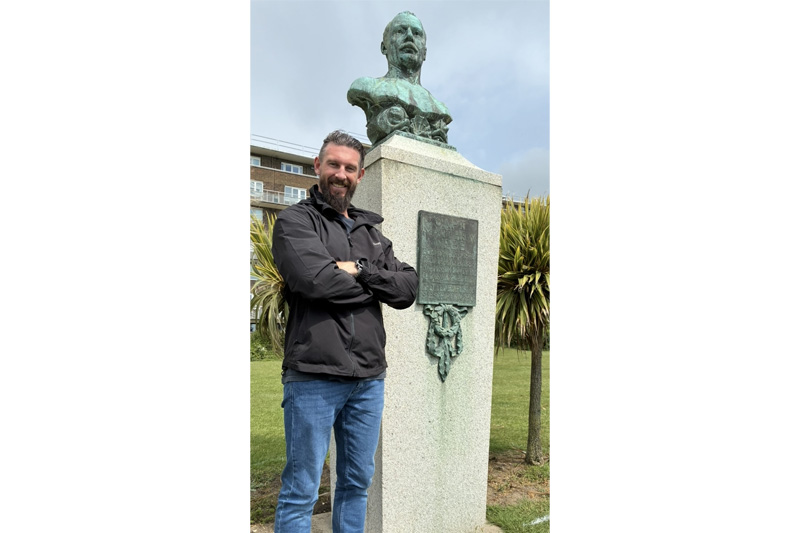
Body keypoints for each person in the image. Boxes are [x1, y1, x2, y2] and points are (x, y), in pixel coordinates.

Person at [271, 130, 418, 532]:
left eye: (349, 168)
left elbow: (408, 288)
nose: (341, 173)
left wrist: (360, 269)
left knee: (357, 483)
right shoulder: (295, 221)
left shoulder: (372, 234)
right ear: (317, 166)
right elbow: (315, 280)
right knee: (301, 490)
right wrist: (376, 287)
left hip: (369, 379)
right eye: (333, 164)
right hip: (314, 377)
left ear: (360, 175)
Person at [347, 11, 452, 146]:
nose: (409, 36)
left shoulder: (439, 108)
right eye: (400, 31)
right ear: (384, 47)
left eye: (416, 33)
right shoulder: (367, 87)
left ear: (424, 52)